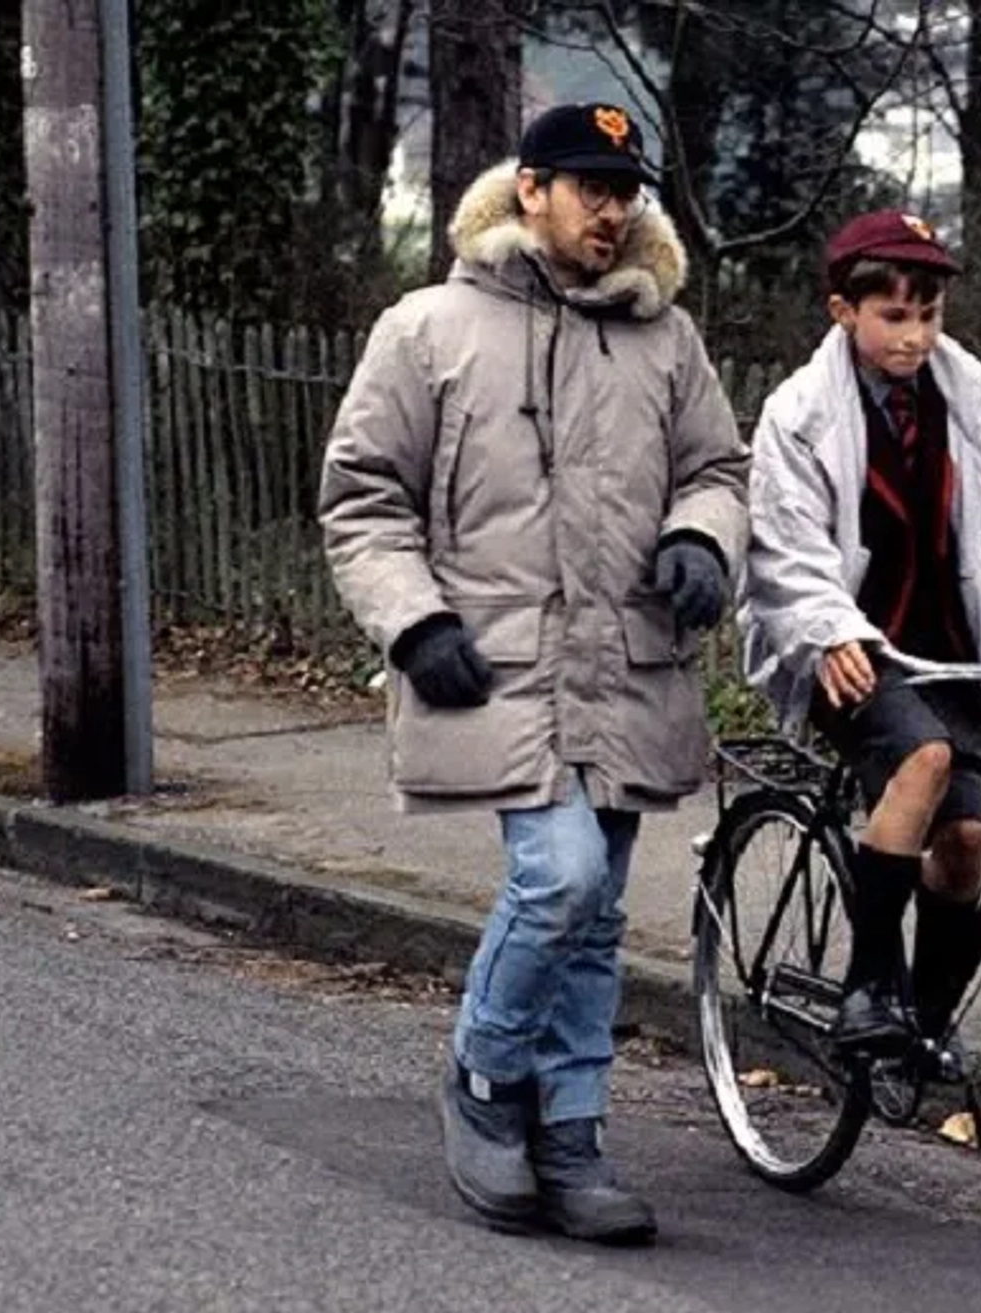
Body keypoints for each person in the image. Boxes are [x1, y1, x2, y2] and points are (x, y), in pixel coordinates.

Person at [318, 102, 748, 1244]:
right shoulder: (427, 329)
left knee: (599, 908)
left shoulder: (667, 339)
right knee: (557, 880)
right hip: (497, 665)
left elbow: (717, 464)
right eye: (590, 185)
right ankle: (483, 1074)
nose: (613, 210)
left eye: (627, 190)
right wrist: (413, 622)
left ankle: (572, 1129)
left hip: (627, 664)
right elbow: (363, 499)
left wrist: (704, 537)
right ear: (530, 190)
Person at [738, 210, 981, 1054]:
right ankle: (868, 987)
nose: (914, 336)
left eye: (929, 315)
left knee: (964, 842)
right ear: (844, 310)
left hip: (948, 650)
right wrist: (828, 629)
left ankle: (925, 1028)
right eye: (894, 316)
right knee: (924, 758)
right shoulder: (800, 415)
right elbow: (786, 545)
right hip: (851, 651)